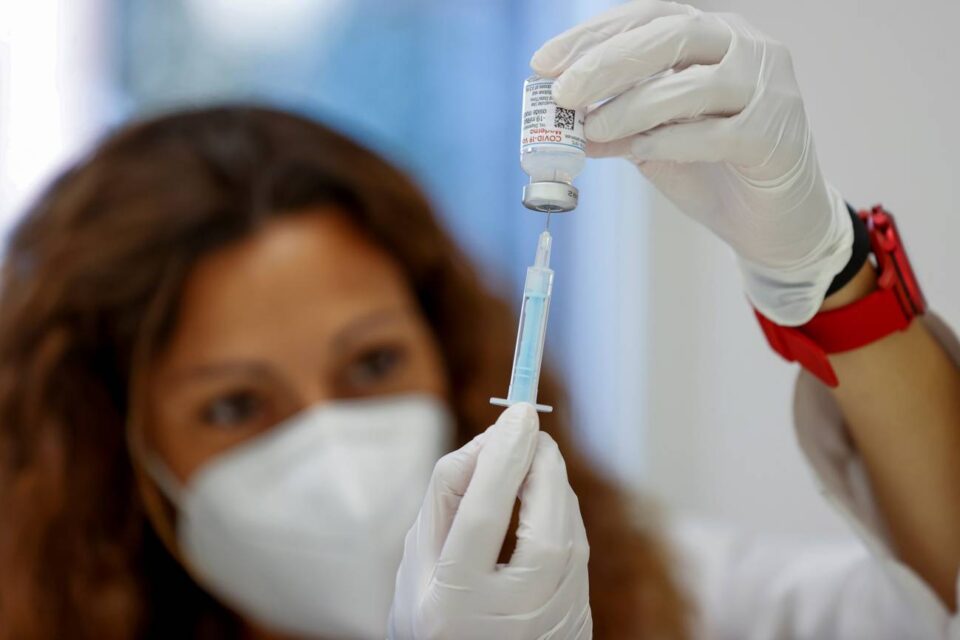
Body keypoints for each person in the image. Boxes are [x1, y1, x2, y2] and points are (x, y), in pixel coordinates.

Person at [0, 3, 957, 640]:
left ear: (447, 349)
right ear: (109, 445)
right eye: (235, 405)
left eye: (372, 363)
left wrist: (826, 269)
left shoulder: (661, 596)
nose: (337, 457)